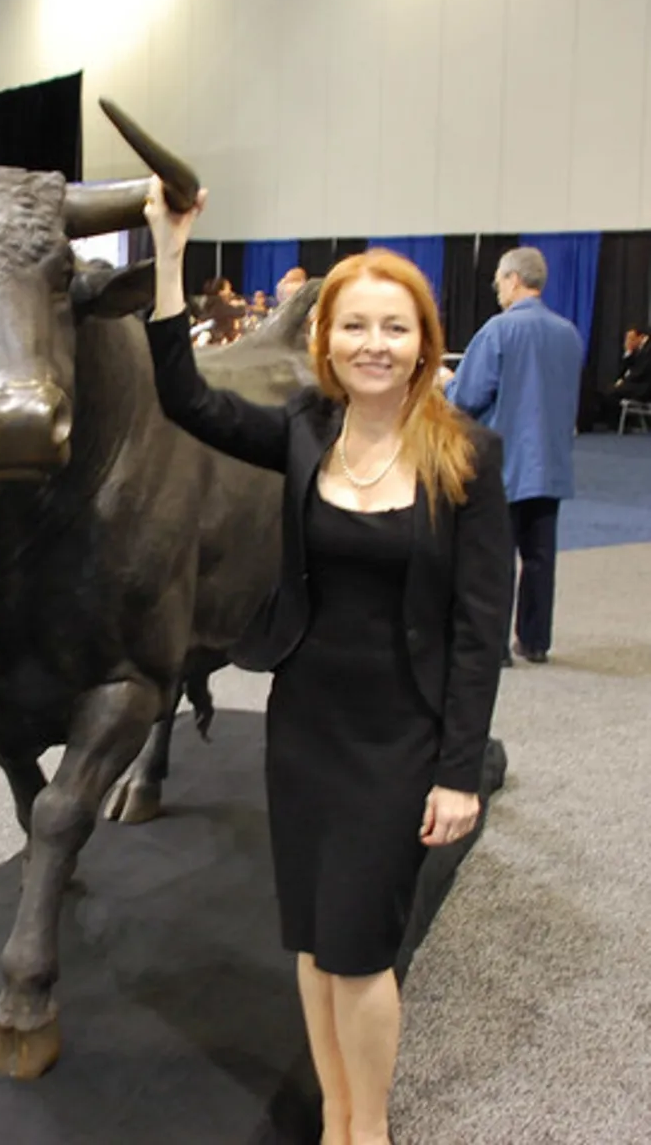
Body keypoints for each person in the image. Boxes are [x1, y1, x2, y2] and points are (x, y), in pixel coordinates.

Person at [143, 178, 510, 1145]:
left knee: (359, 951)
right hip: (306, 726)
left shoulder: (467, 455)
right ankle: (336, 1117)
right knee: (310, 941)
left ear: (424, 342)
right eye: (356, 326)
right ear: (328, 339)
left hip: (401, 736)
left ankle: (371, 1128)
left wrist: (458, 771)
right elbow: (183, 395)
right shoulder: (305, 432)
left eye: (394, 327)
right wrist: (172, 255)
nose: (374, 345)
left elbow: (480, 628)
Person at [443, 247, 584, 664]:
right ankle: (535, 641)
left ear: (512, 280)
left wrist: (446, 381)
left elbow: (468, 397)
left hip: (504, 465)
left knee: (494, 560)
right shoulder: (568, 332)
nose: (498, 291)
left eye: (499, 282)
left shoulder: (498, 331)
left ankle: (494, 645)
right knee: (540, 559)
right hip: (552, 462)